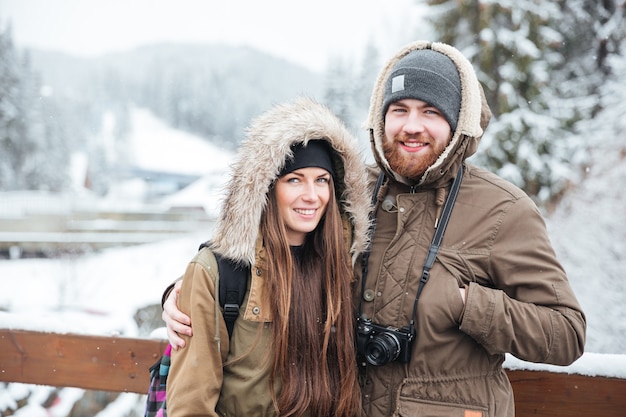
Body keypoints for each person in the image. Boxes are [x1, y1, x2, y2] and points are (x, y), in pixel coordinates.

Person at [163, 41, 586, 417]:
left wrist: (464, 303)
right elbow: (269, 246)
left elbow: (566, 332)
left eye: (431, 112)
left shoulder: (503, 210)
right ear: (379, 120)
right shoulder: (353, 194)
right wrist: (181, 294)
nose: (412, 126)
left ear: (459, 124)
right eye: (399, 110)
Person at [165, 97, 371, 417]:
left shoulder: (344, 269)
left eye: (322, 180)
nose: (311, 196)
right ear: (266, 188)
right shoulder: (219, 273)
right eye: (294, 180)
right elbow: (190, 407)